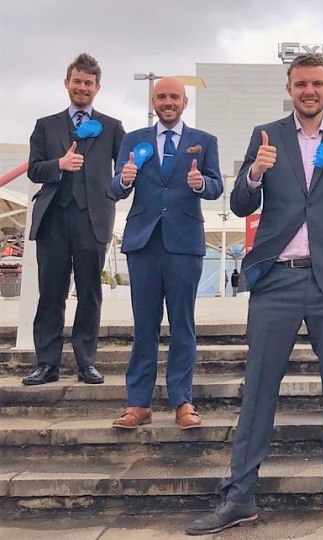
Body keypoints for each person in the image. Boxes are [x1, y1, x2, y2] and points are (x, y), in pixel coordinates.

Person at [186, 54, 323, 538]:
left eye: (317, 83)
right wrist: (253, 172)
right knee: (258, 389)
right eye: (301, 84)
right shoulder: (266, 135)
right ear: (290, 87)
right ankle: (238, 496)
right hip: (276, 279)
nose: (309, 91)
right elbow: (238, 203)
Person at [110, 77, 223, 430]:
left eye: (174, 96)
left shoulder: (204, 142)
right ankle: (138, 403)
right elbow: (115, 188)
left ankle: (182, 401)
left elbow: (217, 185)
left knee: (182, 325)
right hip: (143, 243)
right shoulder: (133, 141)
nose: (168, 101)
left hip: (184, 244)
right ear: (153, 101)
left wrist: (201, 184)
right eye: (161, 96)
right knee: (144, 326)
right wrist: (125, 178)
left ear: (184, 102)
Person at [23, 53, 125, 386]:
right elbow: (35, 168)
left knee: (89, 291)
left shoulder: (112, 127)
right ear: (67, 83)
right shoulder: (45, 125)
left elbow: (125, 171)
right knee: (51, 291)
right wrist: (59, 165)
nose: (82, 87)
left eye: (88, 83)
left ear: (97, 88)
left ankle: (86, 362)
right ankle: (46, 363)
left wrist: (120, 186)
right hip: (53, 217)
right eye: (77, 81)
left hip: (93, 217)